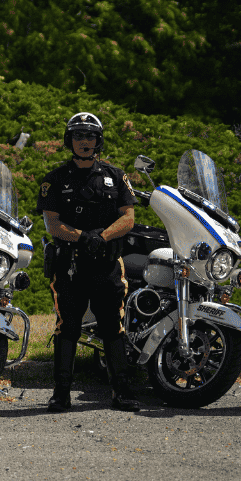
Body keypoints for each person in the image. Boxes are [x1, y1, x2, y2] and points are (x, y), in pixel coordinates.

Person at [36, 112, 141, 413]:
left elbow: (129, 217)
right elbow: (52, 223)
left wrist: (102, 237)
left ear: (99, 140)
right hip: (70, 265)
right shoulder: (55, 179)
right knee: (67, 327)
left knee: (112, 327)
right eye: (78, 136)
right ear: (69, 141)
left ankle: (122, 392)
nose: (85, 141)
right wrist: (82, 237)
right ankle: (61, 394)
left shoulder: (116, 175)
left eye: (90, 136)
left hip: (107, 265)